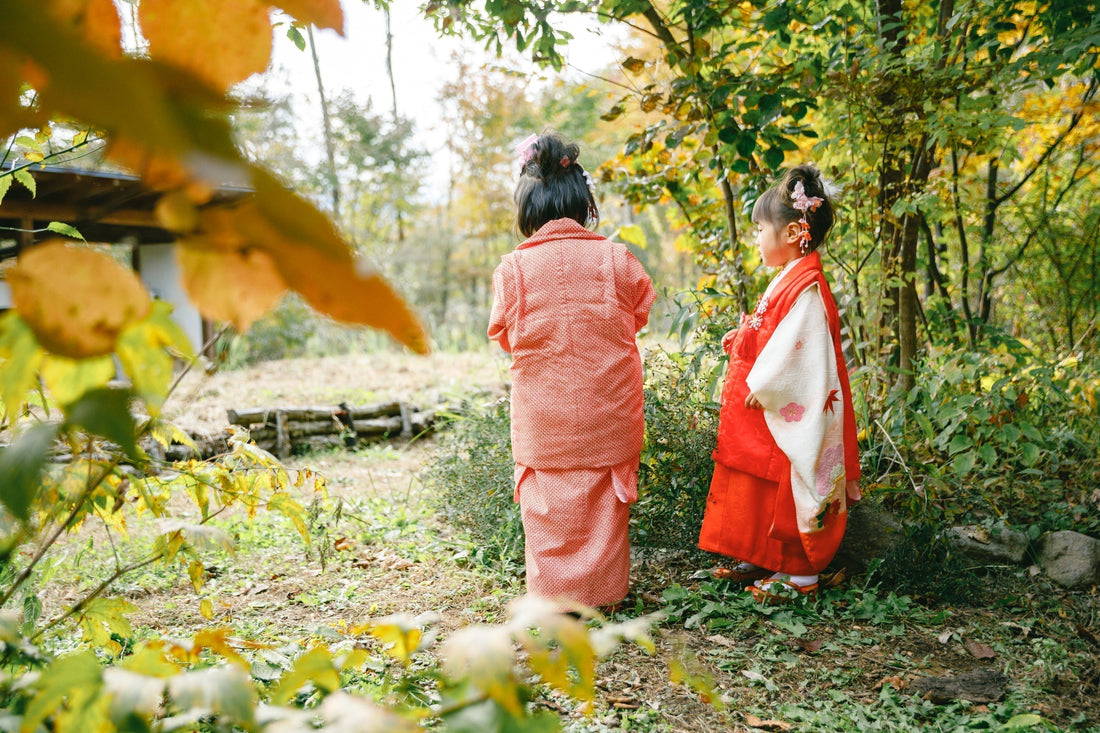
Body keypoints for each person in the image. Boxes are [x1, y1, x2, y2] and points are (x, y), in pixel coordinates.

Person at [488, 131, 656, 611]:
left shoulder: (511, 272)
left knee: (548, 512)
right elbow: (640, 312)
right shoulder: (616, 259)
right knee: (606, 508)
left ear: (527, 211)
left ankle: (553, 599)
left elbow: (503, 335)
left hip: (544, 423)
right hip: (609, 415)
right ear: (585, 205)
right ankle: (604, 596)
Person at [698, 163, 861, 602]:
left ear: (791, 233)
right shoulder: (794, 276)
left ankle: (800, 573)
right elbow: (774, 329)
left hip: (786, 404)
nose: (756, 237)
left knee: (787, 476)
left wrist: (771, 380)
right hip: (765, 406)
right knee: (759, 475)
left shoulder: (807, 285)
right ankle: (762, 553)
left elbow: (802, 347)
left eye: (760, 229)